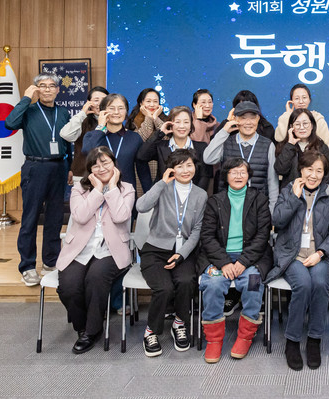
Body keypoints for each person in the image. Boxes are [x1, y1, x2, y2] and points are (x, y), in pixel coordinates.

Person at [267, 150, 329, 371]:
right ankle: (292, 342)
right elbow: (277, 221)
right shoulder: (288, 191)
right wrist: (294, 197)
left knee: (320, 283)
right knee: (302, 284)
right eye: (309, 169)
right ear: (301, 170)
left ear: (324, 173)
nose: (313, 175)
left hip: (321, 255)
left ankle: (314, 340)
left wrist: (320, 253)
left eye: (319, 170)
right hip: (292, 255)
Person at [56, 147, 134, 354]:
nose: (101, 168)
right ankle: (83, 327)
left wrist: (112, 188)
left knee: (96, 278)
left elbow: (120, 216)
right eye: (96, 165)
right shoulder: (79, 189)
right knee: (68, 287)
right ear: (89, 169)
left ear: (114, 164)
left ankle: (91, 331)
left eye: (106, 163)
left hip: (110, 250)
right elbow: (80, 216)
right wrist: (98, 190)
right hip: (79, 250)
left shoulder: (126, 189)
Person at [198, 157, 273, 363]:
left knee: (253, 283)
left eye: (242, 172)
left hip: (251, 258)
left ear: (249, 176)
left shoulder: (259, 199)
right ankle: (214, 340)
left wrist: (243, 261)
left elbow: (263, 236)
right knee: (213, 284)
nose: (238, 176)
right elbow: (207, 236)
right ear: (226, 176)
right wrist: (224, 262)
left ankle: (245, 336)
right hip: (219, 258)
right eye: (233, 172)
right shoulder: (215, 201)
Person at [135, 149, 208, 357]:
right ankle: (151, 331)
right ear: (171, 169)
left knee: (186, 281)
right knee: (164, 288)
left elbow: (197, 230)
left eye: (189, 165)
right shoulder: (163, 187)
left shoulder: (201, 194)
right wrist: (161, 183)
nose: (185, 170)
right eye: (179, 166)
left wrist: (182, 254)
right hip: (155, 250)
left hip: (184, 251)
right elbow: (141, 206)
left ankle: (179, 322)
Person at [5, 72, 70, 286]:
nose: (48, 89)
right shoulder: (29, 110)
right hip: (35, 167)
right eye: (43, 85)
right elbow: (9, 123)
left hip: (59, 167)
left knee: (54, 218)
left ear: (58, 90)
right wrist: (26, 98)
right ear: (36, 89)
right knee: (31, 218)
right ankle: (27, 266)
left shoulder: (63, 112)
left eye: (52, 86)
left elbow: (68, 141)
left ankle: (50, 262)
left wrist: (69, 167)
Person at [203, 101, 279, 210]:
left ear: (258, 119)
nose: (248, 122)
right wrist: (224, 131)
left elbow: (273, 182)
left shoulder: (268, 145)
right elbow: (208, 158)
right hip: (228, 207)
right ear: (235, 119)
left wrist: (271, 211)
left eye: (252, 118)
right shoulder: (226, 142)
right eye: (243, 118)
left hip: (257, 208)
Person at [82, 93, 152, 193]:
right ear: (103, 112)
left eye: (121, 108)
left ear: (126, 111)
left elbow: (143, 171)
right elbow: (87, 151)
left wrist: (150, 195)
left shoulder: (135, 137)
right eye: (111, 108)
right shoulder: (92, 136)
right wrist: (101, 127)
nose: (116, 112)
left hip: (127, 194)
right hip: (98, 193)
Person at [136, 105, 210, 190]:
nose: (182, 126)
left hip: (192, 196)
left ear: (191, 126)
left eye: (186, 122)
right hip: (163, 195)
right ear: (170, 125)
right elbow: (141, 156)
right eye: (177, 122)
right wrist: (160, 133)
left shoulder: (201, 147)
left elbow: (205, 176)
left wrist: (195, 196)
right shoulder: (161, 146)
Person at [59, 86, 109, 182]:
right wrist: (82, 113)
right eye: (96, 100)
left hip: (108, 175)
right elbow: (65, 135)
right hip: (82, 175)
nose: (100, 103)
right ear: (88, 103)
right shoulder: (83, 120)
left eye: (104, 100)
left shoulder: (113, 121)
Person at [275, 108, 329, 189]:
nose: (302, 127)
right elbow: (280, 170)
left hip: (315, 194)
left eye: (305, 123)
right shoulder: (284, 146)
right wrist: (290, 145)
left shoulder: (321, 147)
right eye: (297, 124)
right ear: (291, 127)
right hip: (290, 193)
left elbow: (327, 176)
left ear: (312, 125)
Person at [127, 88, 167, 190]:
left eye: (155, 101)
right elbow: (143, 138)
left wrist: (156, 118)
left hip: (161, 167)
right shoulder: (134, 121)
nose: (152, 105)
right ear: (141, 103)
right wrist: (149, 117)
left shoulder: (165, 120)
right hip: (140, 168)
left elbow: (165, 136)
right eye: (148, 101)